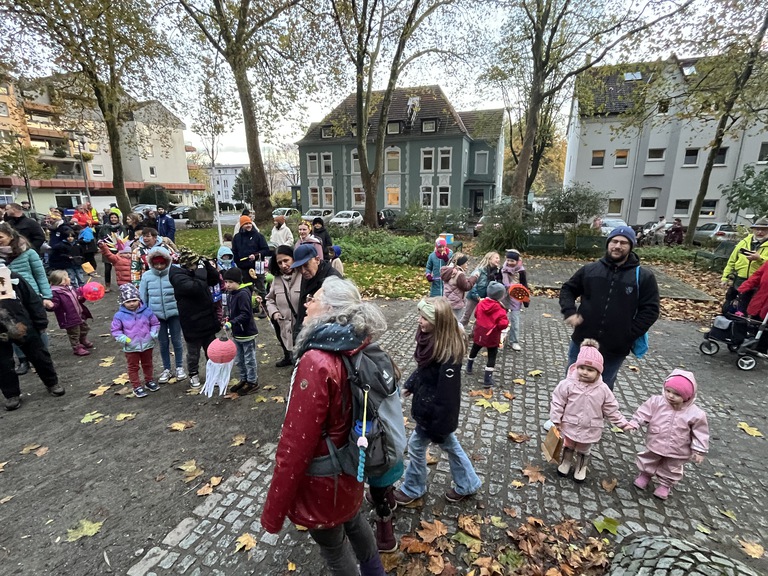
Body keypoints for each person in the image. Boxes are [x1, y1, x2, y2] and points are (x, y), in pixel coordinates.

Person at [261, 277, 387, 576]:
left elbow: (296, 442)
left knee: (333, 547)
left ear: (330, 309)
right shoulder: (356, 343)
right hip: (351, 462)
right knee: (354, 520)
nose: (306, 303)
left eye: (313, 298)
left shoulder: (317, 360)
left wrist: (273, 512)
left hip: (322, 478)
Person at [394, 297, 482, 505]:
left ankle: (414, 488)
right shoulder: (431, 341)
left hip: (435, 416)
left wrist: (438, 426)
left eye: (424, 318)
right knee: (450, 446)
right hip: (428, 409)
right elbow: (423, 370)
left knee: (416, 446)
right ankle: (468, 483)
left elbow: (447, 396)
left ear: (438, 323)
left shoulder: (447, 354)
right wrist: (410, 385)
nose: (419, 321)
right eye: (420, 316)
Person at [559, 226, 660, 390]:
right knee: (571, 384)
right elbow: (568, 289)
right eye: (614, 241)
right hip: (582, 341)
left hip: (615, 347)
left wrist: (629, 333)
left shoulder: (643, 276)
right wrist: (569, 311)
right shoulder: (590, 270)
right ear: (608, 243)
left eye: (623, 243)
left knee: (603, 388)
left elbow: (650, 310)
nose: (617, 246)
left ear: (631, 246)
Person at [549, 339, 633, 482]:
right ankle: (566, 461)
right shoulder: (567, 384)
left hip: (590, 427)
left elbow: (611, 408)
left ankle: (581, 466)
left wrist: (622, 423)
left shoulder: (603, 389)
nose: (585, 372)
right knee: (568, 444)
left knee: (584, 448)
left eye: (590, 370)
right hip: (570, 423)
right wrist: (556, 419)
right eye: (581, 368)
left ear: (598, 371)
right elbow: (558, 401)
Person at [627, 370, 709, 500]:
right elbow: (644, 413)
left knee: (672, 467)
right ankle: (645, 474)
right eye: (668, 391)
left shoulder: (696, 414)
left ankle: (665, 484)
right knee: (649, 458)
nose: (670, 396)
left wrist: (699, 450)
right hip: (656, 441)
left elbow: (700, 432)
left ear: (687, 396)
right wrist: (635, 423)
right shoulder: (657, 402)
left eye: (677, 394)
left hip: (679, 448)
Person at [0, 265, 64, 410]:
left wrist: (40, 321)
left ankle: (52, 382)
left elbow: (31, 299)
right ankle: (11, 394)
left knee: (39, 355)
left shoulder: (12, 276)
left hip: (21, 324)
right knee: (3, 364)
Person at [0, 222, 53, 375]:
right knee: (13, 328)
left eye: (0, 237)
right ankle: (23, 360)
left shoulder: (28, 253)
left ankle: (42, 357)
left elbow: (40, 276)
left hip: (31, 296)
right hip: (8, 299)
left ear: (10, 235)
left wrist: (46, 296)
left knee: (38, 327)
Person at [169, 248, 221, 388]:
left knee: (211, 349)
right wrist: (201, 271)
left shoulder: (198, 271)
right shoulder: (177, 275)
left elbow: (214, 279)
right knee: (193, 352)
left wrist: (207, 265)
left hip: (207, 317)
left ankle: (214, 374)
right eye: (194, 264)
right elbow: (195, 288)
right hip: (191, 320)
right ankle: (193, 374)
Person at [139, 247, 187, 384]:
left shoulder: (174, 273)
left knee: (177, 340)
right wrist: (144, 314)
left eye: (162, 263)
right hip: (156, 315)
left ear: (167, 262)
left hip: (174, 313)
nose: (159, 266)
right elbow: (143, 296)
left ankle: (179, 367)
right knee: (163, 342)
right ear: (151, 263)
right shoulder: (147, 276)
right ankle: (166, 368)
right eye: (156, 264)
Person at [111, 284, 160, 398]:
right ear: (123, 302)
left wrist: (153, 332)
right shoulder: (119, 316)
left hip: (147, 343)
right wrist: (124, 339)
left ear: (139, 299)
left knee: (148, 364)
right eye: (128, 301)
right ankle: (136, 386)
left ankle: (149, 380)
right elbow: (116, 330)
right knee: (133, 366)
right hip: (131, 346)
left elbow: (155, 323)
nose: (132, 303)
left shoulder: (147, 311)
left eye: (134, 300)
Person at [291, 244, 342, 339]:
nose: (303, 271)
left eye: (306, 265)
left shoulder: (333, 280)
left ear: (317, 260)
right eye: (299, 267)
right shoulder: (308, 275)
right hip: (303, 333)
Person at [222, 268, 259, 394]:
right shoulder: (231, 294)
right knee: (239, 359)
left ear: (238, 282)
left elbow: (246, 314)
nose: (227, 285)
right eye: (226, 282)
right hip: (237, 333)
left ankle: (252, 381)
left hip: (246, 332)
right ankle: (244, 379)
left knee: (249, 359)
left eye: (230, 282)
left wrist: (232, 323)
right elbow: (231, 311)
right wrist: (227, 319)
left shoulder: (242, 294)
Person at [465, 281, 509, 388]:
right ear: (501, 296)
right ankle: (487, 378)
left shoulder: (481, 303)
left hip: (479, 332)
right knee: (492, 355)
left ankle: (469, 367)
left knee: (475, 348)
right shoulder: (500, 309)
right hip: (492, 336)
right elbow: (503, 324)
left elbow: (476, 314)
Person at [265, 245, 301, 368]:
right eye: (279, 263)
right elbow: (269, 299)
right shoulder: (277, 279)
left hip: (301, 326)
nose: (283, 265)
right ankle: (289, 358)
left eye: (286, 260)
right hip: (284, 325)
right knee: (288, 348)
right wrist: (274, 312)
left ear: (294, 258)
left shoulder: (303, 275)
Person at [722, 217, 768, 313]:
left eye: (763, 230)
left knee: (746, 307)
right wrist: (725, 277)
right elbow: (731, 261)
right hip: (739, 278)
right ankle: (726, 318)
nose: (760, 232)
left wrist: (759, 258)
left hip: (757, 282)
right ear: (753, 230)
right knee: (728, 304)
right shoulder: (744, 242)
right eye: (757, 229)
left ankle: (742, 320)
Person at [48, 269, 94, 356]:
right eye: (67, 277)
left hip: (78, 313)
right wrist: (51, 305)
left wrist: (81, 297)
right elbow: (55, 305)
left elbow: (77, 297)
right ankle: (77, 347)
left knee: (84, 328)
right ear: (62, 281)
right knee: (74, 333)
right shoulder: (55, 292)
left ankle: (83, 340)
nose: (69, 279)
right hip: (68, 317)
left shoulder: (70, 288)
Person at [231, 216, 270, 317]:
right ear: (241, 225)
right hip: (243, 268)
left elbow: (266, 250)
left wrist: (256, 255)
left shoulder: (258, 236)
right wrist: (238, 263)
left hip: (257, 266)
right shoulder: (237, 238)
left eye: (249, 223)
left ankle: (265, 308)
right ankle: (251, 307)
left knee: (261, 288)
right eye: (246, 224)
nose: (248, 225)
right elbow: (234, 251)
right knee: (247, 289)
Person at [460, 251, 501, 327]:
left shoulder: (497, 272)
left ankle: (475, 332)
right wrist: (477, 296)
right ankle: (458, 329)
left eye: (499, 258)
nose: (498, 260)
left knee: (481, 317)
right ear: (489, 259)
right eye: (496, 258)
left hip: (485, 298)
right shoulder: (480, 270)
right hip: (474, 296)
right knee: (466, 316)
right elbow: (472, 283)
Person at [500, 249, 529, 352]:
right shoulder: (503, 269)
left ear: (517, 261)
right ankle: (499, 338)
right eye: (508, 260)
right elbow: (499, 280)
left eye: (512, 261)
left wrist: (526, 300)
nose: (509, 262)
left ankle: (514, 341)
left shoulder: (521, 271)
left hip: (516, 296)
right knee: (500, 317)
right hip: (504, 295)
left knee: (515, 320)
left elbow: (524, 285)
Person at [736, 260, 768, 352]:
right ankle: (755, 346)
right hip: (761, 299)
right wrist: (742, 289)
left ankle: (760, 348)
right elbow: (757, 276)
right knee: (756, 323)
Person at [440, 253, 477, 325]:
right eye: (465, 263)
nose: (467, 265)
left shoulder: (448, 271)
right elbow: (466, 286)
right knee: (454, 323)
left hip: (447, 301)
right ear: (461, 264)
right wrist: (474, 278)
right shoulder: (459, 274)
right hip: (456, 303)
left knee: (447, 322)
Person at [98, 211, 126, 292]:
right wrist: (100, 243)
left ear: (118, 218)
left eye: (115, 217)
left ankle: (123, 285)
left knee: (121, 269)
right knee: (107, 269)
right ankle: (107, 285)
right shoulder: (104, 227)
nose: (113, 219)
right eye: (112, 217)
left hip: (119, 250)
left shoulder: (122, 227)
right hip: (107, 250)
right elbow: (100, 237)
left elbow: (125, 238)